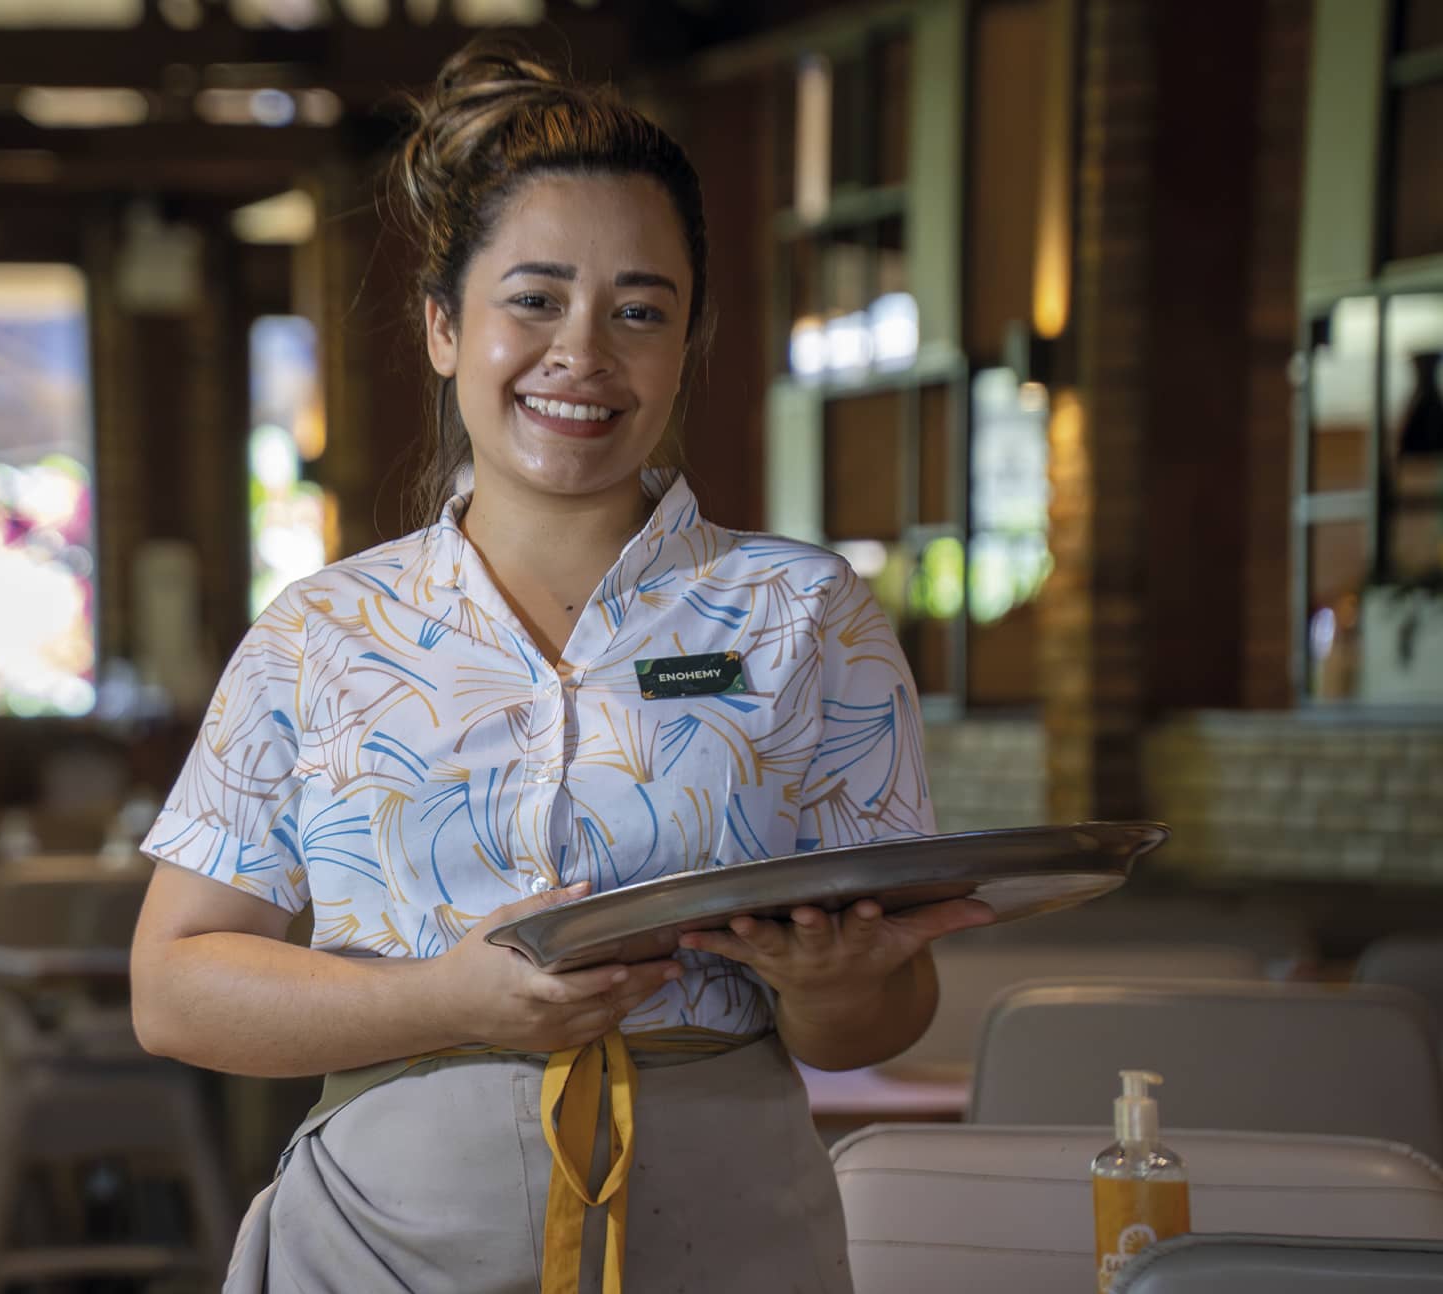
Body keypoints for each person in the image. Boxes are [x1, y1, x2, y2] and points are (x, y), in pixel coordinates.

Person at [129, 44, 994, 1294]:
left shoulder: (803, 615)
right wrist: (447, 1000)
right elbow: (173, 987)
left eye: (638, 311)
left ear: (687, 341)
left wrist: (833, 985)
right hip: (374, 1252)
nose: (580, 353)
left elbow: (875, 1018)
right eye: (533, 300)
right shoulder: (323, 630)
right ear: (444, 327)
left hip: (725, 1243)